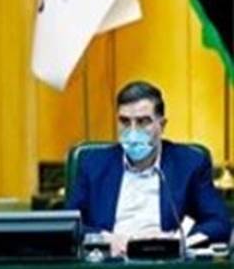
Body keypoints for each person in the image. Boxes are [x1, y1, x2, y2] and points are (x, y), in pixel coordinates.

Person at [67, 80, 231, 255]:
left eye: (143, 122)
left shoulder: (189, 163)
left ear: (162, 125)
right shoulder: (93, 164)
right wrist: (103, 238)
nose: (132, 132)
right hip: (110, 262)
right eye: (124, 121)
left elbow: (219, 223)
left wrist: (176, 240)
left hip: (165, 263)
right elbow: (68, 225)